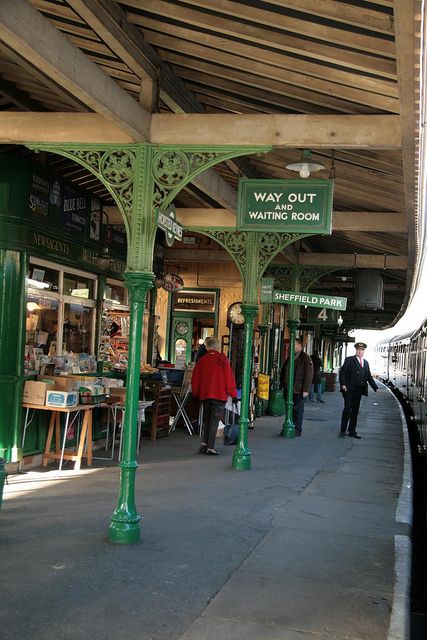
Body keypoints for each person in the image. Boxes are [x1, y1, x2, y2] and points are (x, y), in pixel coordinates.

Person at [191, 336, 238, 455]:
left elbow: (195, 379)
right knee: (214, 421)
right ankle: (210, 447)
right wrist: (233, 395)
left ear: (206, 347)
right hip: (219, 395)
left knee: (206, 420)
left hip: (205, 395)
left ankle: (204, 443)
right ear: (217, 347)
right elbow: (229, 379)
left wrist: (196, 392)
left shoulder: (202, 360)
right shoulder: (222, 359)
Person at [339, 341, 379, 439]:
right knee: (348, 409)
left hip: (359, 391)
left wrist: (375, 388)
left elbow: (368, 376)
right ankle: (343, 431)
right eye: (358, 350)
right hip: (348, 390)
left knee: (355, 411)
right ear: (356, 350)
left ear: (364, 351)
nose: (360, 352)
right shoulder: (349, 360)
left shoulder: (365, 363)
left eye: (362, 350)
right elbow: (343, 373)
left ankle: (352, 431)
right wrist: (343, 384)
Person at [280, 338, 313, 436]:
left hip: (298, 389)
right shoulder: (291, 356)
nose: (291, 347)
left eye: (293, 345)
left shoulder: (305, 358)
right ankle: (290, 425)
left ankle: (297, 429)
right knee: (289, 409)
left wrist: (306, 390)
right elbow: (284, 370)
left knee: (298, 409)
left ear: (299, 345)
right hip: (288, 388)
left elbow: (309, 374)